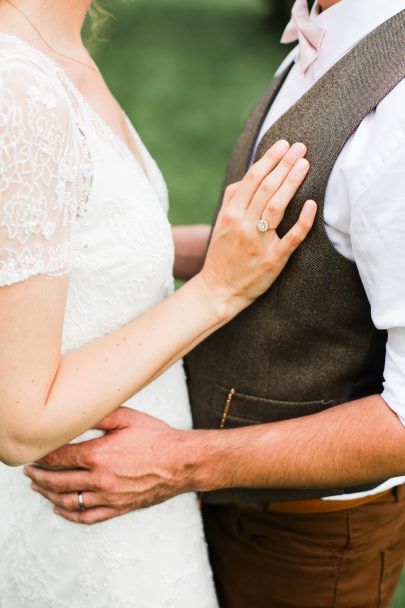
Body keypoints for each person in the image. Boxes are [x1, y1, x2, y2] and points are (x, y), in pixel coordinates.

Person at [23, 0, 405, 606]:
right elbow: (309, 248)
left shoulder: (399, 116)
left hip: (303, 534)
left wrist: (181, 463)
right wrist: (112, 246)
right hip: (188, 488)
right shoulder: (330, 34)